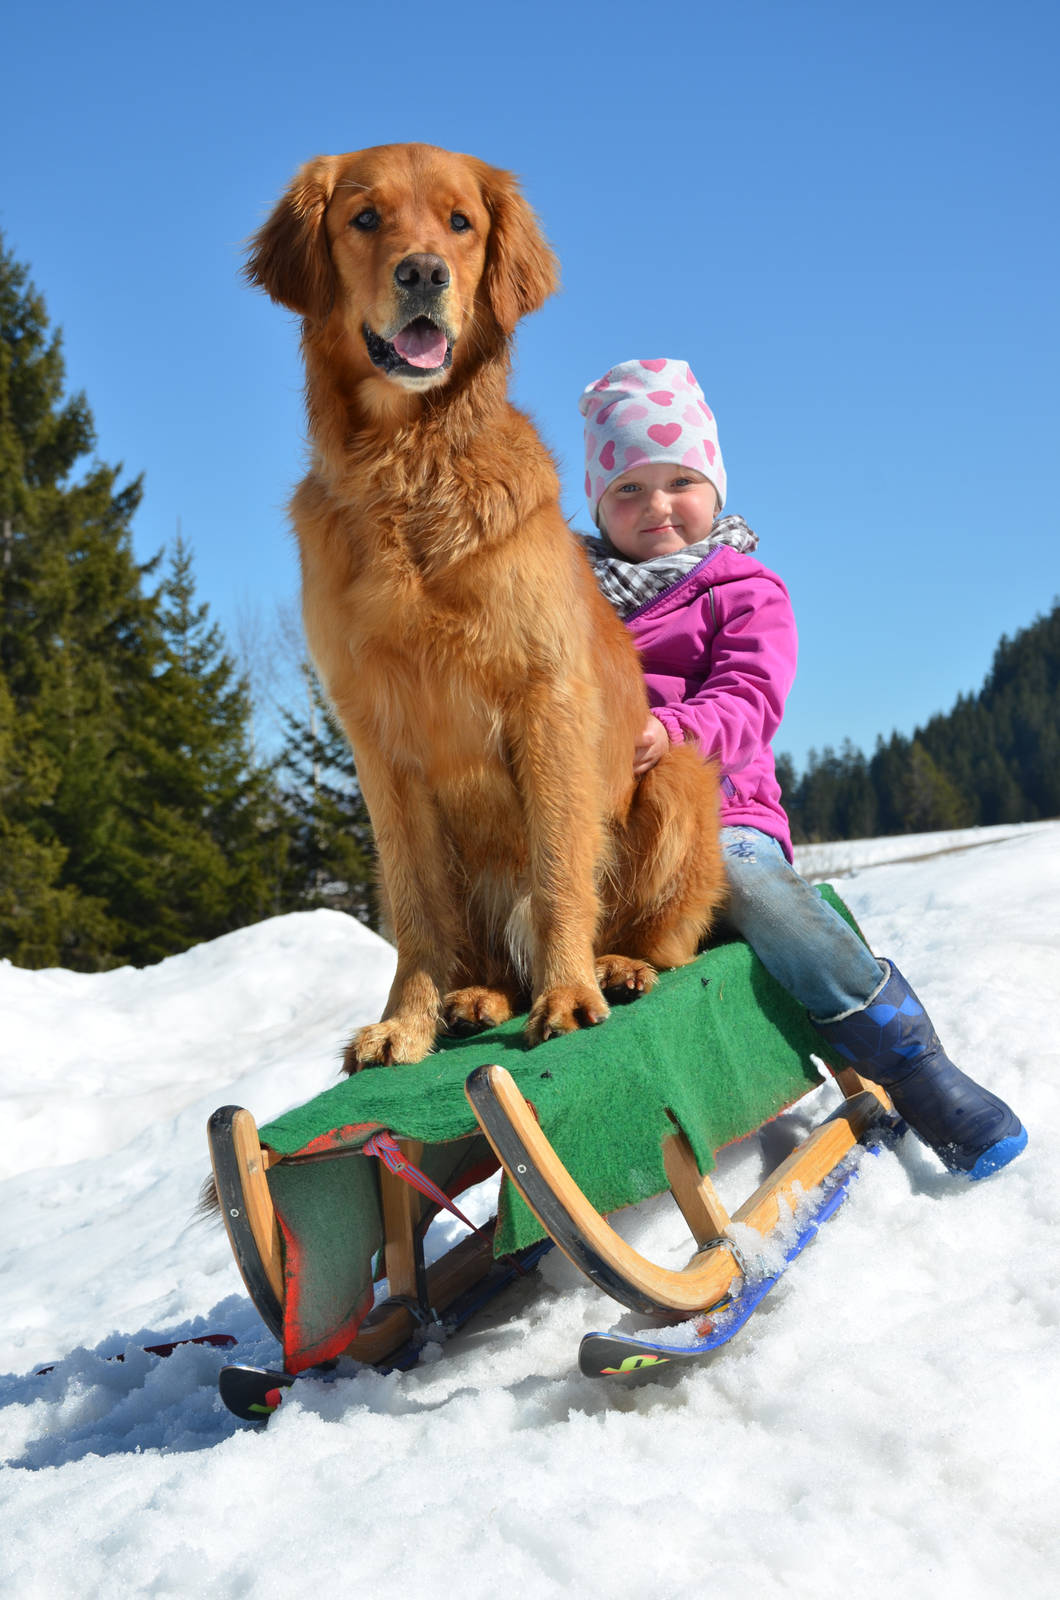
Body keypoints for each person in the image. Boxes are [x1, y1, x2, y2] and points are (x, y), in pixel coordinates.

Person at [579, 357, 1026, 1180]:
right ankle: (563, 1124)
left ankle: (912, 1061)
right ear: (597, 504)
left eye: (679, 480)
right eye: (628, 490)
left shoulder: (739, 590)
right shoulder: (571, 600)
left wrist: (667, 731)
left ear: (714, 486)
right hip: (602, 832)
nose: (658, 506)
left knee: (748, 882)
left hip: (723, 813)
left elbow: (751, 700)